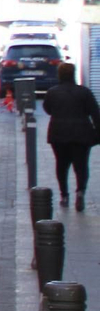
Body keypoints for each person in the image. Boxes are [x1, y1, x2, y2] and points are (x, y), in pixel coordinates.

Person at [45, 63, 100, 209]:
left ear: (59, 75)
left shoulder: (52, 92)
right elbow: (95, 113)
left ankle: (64, 195)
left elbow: (47, 109)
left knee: (61, 165)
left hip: (58, 134)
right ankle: (80, 192)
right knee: (81, 165)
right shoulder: (85, 92)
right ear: (73, 74)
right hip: (81, 134)